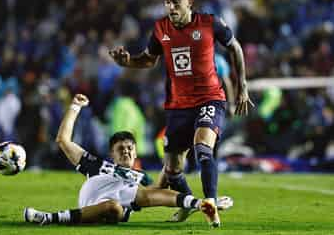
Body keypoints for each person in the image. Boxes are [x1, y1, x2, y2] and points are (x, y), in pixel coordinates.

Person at [109, 0, 253, 227]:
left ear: (190, 2)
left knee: (203, 149)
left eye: (176, 2)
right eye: (167, 2)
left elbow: (235, 48)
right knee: (173, 169)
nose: (171, 7)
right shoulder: (160, 28)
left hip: (210, 98)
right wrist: (127, 62)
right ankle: (188, 204)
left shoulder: (210, 23)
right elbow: (148, 60)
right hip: (177, 106)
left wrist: (242, 87)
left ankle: (210, 203)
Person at [24, 94, 233, 226]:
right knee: (115, 204)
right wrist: (74, 108)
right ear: (112, 154)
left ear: (136, 153)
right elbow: (63, 140)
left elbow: (159, 192)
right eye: (120, 149)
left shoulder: (140, 177)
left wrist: (178, 152)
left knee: (126, 201)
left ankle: (203, 203)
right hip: (92, 205)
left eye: (129, 148)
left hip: (116, 209)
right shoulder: (96, 165)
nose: (125, 152)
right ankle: (48, 218)